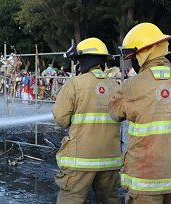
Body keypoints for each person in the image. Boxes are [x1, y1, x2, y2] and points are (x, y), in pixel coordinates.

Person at [108, 22, 171, 204]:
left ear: (142, 54)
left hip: (146, 181)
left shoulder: (130, 86)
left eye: (134, 56)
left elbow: (114, 113)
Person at [52, 37, 122, 204]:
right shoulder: (116, 87)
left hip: (80, 161)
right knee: (110, 200)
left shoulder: (75, 84)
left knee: (71, 199)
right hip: (110, 160)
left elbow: (61, 119)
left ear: (83, 60)